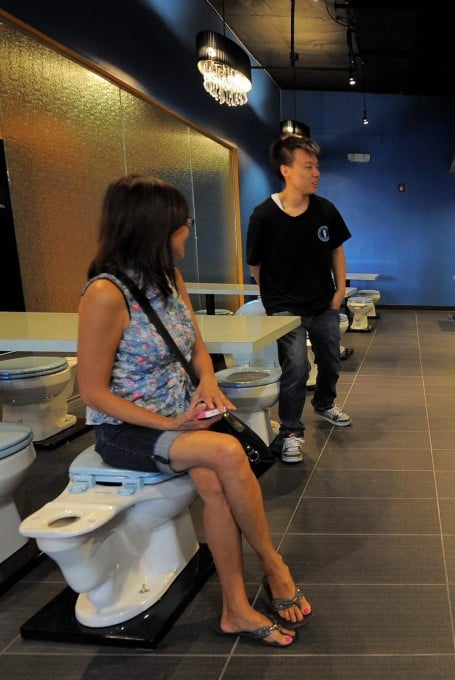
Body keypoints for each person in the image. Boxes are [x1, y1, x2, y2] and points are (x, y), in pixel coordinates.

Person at [77, 174, 312, 646]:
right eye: (184, 222)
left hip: (182, 414)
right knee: (227, 455)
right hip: (129, 429)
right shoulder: (105, 295)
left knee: (213, 482)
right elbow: (93, 393)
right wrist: (170, 422)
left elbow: (196, 346)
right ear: (155, 229)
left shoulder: (170, 278)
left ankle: (235, 610)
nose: (189, 230)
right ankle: (273, 565)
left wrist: (206, 380)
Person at [246, 134, 352, 464]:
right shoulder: (263, 215)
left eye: (317, 166)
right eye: (308, 166)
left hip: (323, 304)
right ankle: (291, 431)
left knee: (331, 361)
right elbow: (255, 265)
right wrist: (275, 300)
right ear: (287, 170)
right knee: (295, 367)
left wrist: (339, 291)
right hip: (285, 309)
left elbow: (336, 248)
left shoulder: (325, 210)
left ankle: (324, 403)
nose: (316, 173)